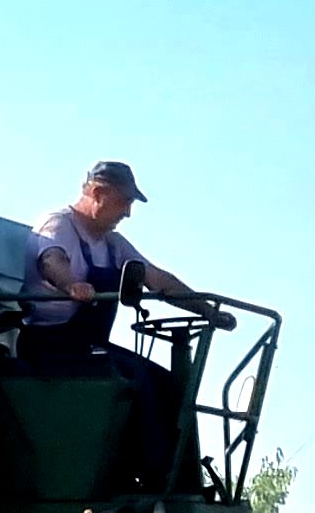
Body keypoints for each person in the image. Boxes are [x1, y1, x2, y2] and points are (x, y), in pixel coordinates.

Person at [18, 160, 203, 374]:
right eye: (124, 202)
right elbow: (51, 260)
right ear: (97, 194)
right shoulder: (58, 224)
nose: (128, 213)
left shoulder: (113, 243)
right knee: (135, 380)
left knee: (163, 382)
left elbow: (158, 279)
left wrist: (207, 310)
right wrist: (72, 285)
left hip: (88, 346)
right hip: (49, 346)